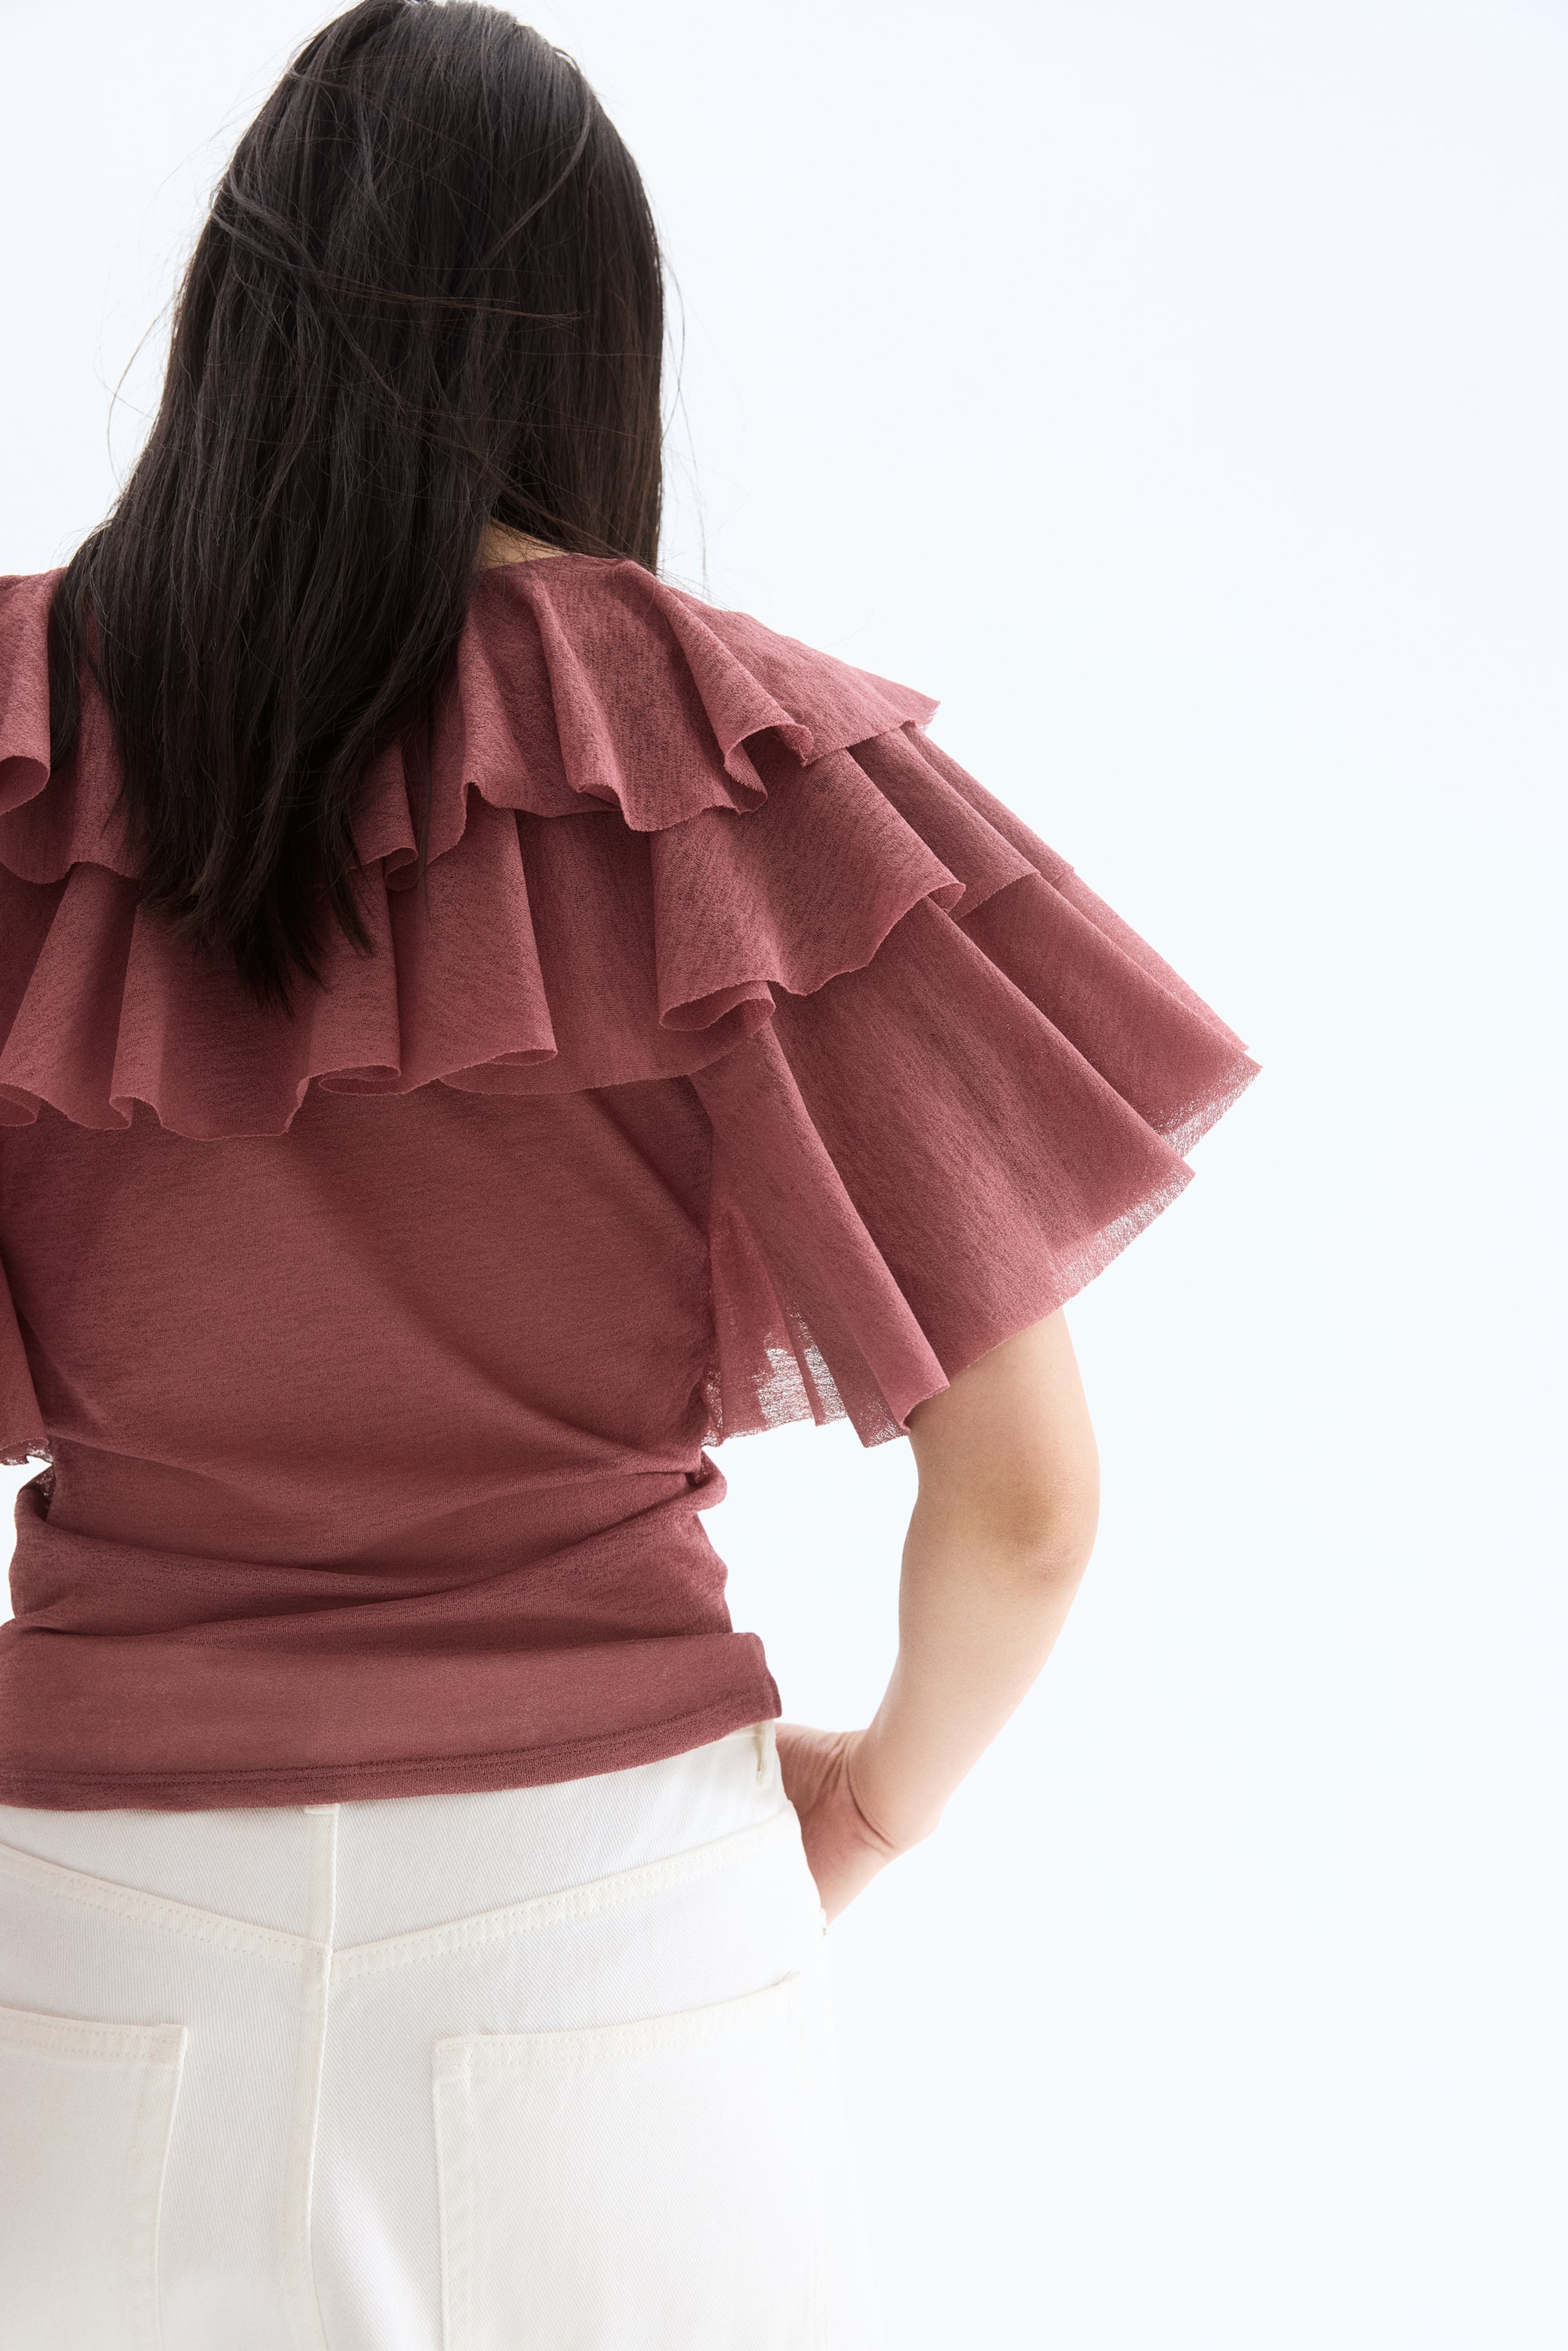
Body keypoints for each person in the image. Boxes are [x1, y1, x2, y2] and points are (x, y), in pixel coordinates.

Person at [0, 3, 1257, 2343]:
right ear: (591, 339)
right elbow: (1026, 1509)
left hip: (73, 1934)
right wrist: (866, 1814)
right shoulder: (723, 754)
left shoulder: (18, 740)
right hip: (608, 1922)